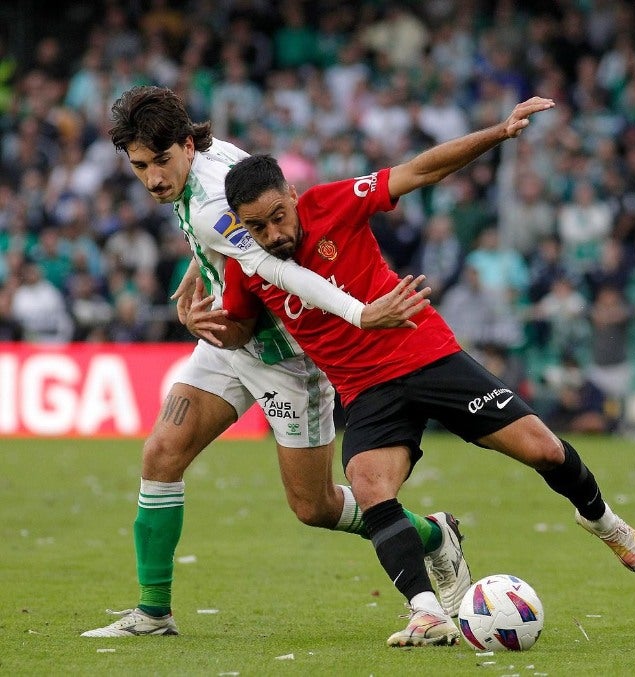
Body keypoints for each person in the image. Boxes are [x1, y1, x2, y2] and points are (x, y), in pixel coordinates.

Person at [216, 96, 635, 648]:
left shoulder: (335, 202)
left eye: (279, 217)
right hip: (365, 389)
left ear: (292, 196)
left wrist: (498, 131)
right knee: (369, 487)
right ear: (240, 224)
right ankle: (425, 611)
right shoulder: (246, 264)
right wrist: (202, 322)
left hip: (426, 355)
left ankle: (601, 520)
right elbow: (236, 329)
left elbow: (420, 170)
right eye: (257, 227)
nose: (274, 234)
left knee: (545, 450)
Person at [81, 86, 468, 638]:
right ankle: (153, 611)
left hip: (286, 358)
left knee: (314, 505)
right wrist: (201, 271)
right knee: (162, 452)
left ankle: (435, 537)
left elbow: (284, 271)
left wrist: (359, 315)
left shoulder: (215, 202)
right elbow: (227, 244)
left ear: (187, 146)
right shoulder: (218, 158)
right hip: (229, 340)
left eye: (161, 162)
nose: (153, 179)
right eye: (140, 166)